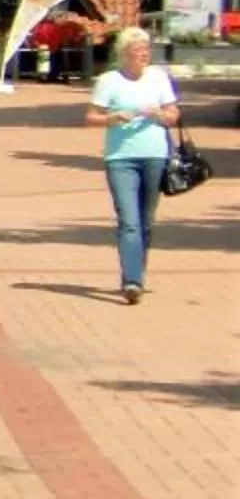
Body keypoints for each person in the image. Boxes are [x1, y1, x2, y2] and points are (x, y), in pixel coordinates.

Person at [86, 25, 182, 304]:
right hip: (120, 158)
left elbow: (174, 113)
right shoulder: (108, 81)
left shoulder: (158, 78)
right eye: (138, 50)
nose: (144, 54)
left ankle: (137, 270)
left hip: (155, 154)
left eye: (146, 50)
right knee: (129, 220)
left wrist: (162, 114)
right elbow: (91, 117)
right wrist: (113, 118)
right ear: (124, 53)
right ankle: (132, 281)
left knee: (146, 221)